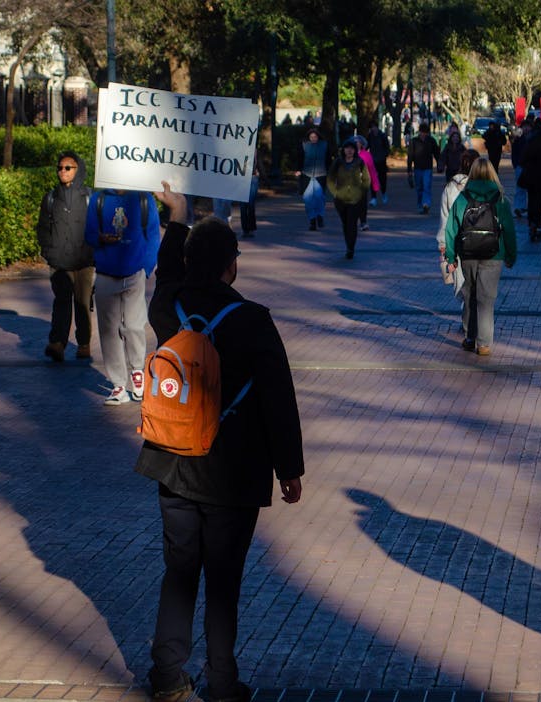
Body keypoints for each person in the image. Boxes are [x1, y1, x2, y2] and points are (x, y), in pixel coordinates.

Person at [137, 182, 304, 702]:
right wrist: (289, 468)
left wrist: (177, 217)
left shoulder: (171, 310)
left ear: (190, 263)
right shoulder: (253, 321)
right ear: (231, 265)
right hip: (232, 473)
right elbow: (278, 398)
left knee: (179, 571)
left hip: (173, 465)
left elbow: (164, 279)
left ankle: (166, 676)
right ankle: (222, 682)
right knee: (223, 582)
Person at [84, 189, 160, 404]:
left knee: (134, 326)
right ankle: (118, 385)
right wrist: (100, 239)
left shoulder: (144, 198)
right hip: (106, 273)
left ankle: (137, 371)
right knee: (109, 331)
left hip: (135, 273)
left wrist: (145, 268)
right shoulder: (98, 199)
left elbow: (153, 235)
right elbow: (88, 233)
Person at [444, 157, 517, 356]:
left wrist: (451, 257)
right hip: (494, 253)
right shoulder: (499, 197)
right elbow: (509, 230)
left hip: (467, 253)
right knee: (487, 298)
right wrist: (511, 254)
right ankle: (483, 343)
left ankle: (469, 336)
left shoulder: (463, 196)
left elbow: (451, 229)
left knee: (470, 295)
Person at [36, 150, 94, 362]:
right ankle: (57, 343)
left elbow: (97, 227)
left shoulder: (90, 197)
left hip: (84, 261)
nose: (63, 171)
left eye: (68, 168)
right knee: (61, 301)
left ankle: (84, 343)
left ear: (78, 170)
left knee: (82, 303)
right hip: (59, 261)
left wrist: (94, 252)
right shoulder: (50, 198)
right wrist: (48, 251)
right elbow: (42, 228)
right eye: (60, 167)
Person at [327, 138, 371, 259]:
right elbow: (330, 178)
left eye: (352, 148)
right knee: (345, 223)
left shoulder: (360, 162)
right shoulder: (338, 162)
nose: (349, 151)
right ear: (343, 150)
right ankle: (348, 243)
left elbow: (367, 179)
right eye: (347, 148)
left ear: (355, 150)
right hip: (340, 199)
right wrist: (335, 192)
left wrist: (361, 192)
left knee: (352, 223)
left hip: (355, 199)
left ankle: (350, 247)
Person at [436, 148, 481, 257]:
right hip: (481, 243)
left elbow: (445, 216)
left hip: (456, 241)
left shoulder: (451, 187)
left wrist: (442, 242)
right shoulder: (484, 188)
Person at [295, 128, 328, 231]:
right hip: (307, 174)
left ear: (318, 137)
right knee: (308, 198)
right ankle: (312, 220)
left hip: (321, 174)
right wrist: (298, 170)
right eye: (311, 137)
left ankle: (319, 216)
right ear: (308, 138)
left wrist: (330, 170)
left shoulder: (324, 145)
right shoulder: (304, 145)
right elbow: (299, 158)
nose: (313, 139)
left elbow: (329, 158)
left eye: (315, 137)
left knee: (319, 197)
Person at [407, 122, 441, 214]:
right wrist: (409, 170)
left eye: (425, 133)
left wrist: (439, 164)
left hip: (427, 168)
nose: (423, 134)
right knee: (419, 187)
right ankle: (420, 204)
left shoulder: (431, 141)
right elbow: (410, 156)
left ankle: (426, 203)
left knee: (426, 186)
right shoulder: (414, 141)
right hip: (417, 168)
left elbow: (436, 153)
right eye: (422, 132)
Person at [354, 135, 381, 232]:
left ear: (362, 144)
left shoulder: (366, 155)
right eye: (354, 142)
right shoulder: (348, 154)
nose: (356, 144)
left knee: (362, 203)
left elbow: (372, 170)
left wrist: (375, 184)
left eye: (358, 142)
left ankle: (363, 222)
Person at [366, 121, 391, 205]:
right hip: (373, 161)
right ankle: (374, 198)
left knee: (382, 179)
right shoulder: (370, 136)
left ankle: (383, 193)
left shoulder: (382, 136)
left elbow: (387, 148)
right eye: (371, 128)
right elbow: (367, 146)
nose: (373, 129)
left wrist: (384, 155)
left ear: (377, 127)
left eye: (374, 127)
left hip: (381, 161)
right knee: (373, 179)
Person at [510, 121, 531, 218]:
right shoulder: (518, 139)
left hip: (530, 167)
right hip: (520, 165)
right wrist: (515, 164)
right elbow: (514, 152)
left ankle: (525, 207)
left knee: (530, 188)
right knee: (520, 187)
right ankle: (519, 207)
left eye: (528, 127)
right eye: (524, 127)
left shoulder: (533, 139)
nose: (526, 129)